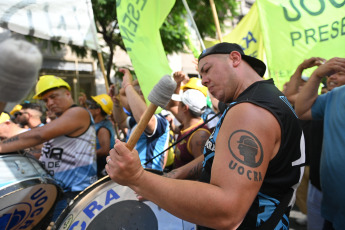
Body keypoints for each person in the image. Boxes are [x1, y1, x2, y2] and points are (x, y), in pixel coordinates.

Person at [106, 42, 305, 229]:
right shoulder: (263, 99)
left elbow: (226, 211)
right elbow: (221, 155)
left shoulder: (250, 111)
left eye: (207, 69)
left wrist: (138, 178)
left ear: (235, 59)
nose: (203, 80)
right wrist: (174, 175)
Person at [0, 75, 97, 221]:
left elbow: (39, 135)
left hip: (75, 194)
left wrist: (2, 147)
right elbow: (51, 152)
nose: (50, 103)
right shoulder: (62, 119)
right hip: (61, 192)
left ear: (68, 93)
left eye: (53, 96)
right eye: (45, 100)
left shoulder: (78, 112)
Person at [295, 58, 345, 230]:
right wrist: (316, 75)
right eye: (330, 73)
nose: (332, 78)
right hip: (332, 208)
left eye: (340, 73)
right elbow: (301, 110)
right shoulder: (335, 96)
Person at [109, 68, 170, 171]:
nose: (139, 93)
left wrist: (128, 85)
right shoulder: (136, 120)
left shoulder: (160, 120)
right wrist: (116, 103)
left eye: (142, 93)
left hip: (148, 176)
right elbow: (121, 121)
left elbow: (144, 119)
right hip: (134, 176)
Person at [167, 82, 212, 168]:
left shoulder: (199, 135)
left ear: (185, 108)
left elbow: (201, 169)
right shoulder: (188, 124)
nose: (177, 106)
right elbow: (181, 131)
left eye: (179, 103)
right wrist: (172, 126)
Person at [87, 94, 115, 178]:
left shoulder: (103, 128)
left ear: (98, 110)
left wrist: (86, 155)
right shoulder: (99, 124)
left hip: (102, 168)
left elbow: (104, 150)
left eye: (90, 106)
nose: (88, 108)